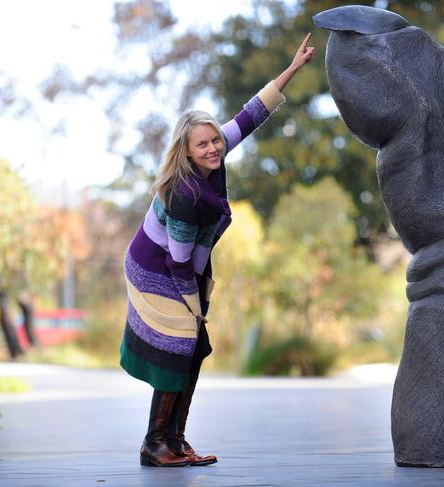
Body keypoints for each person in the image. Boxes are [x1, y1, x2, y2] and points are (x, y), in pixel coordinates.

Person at [119, 34, 315, 467]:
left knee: (195, 346)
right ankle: (155, 445)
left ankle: (175, 439)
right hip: (155, 268)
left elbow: (252, 113)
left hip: (179, 265)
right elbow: (176, 260)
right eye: (202, 145)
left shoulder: (216, 153)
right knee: (180, 344)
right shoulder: (186, 194)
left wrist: (294, 67)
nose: (212, 148)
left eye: (214, 141)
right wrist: (195, 306)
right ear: (186, 153)